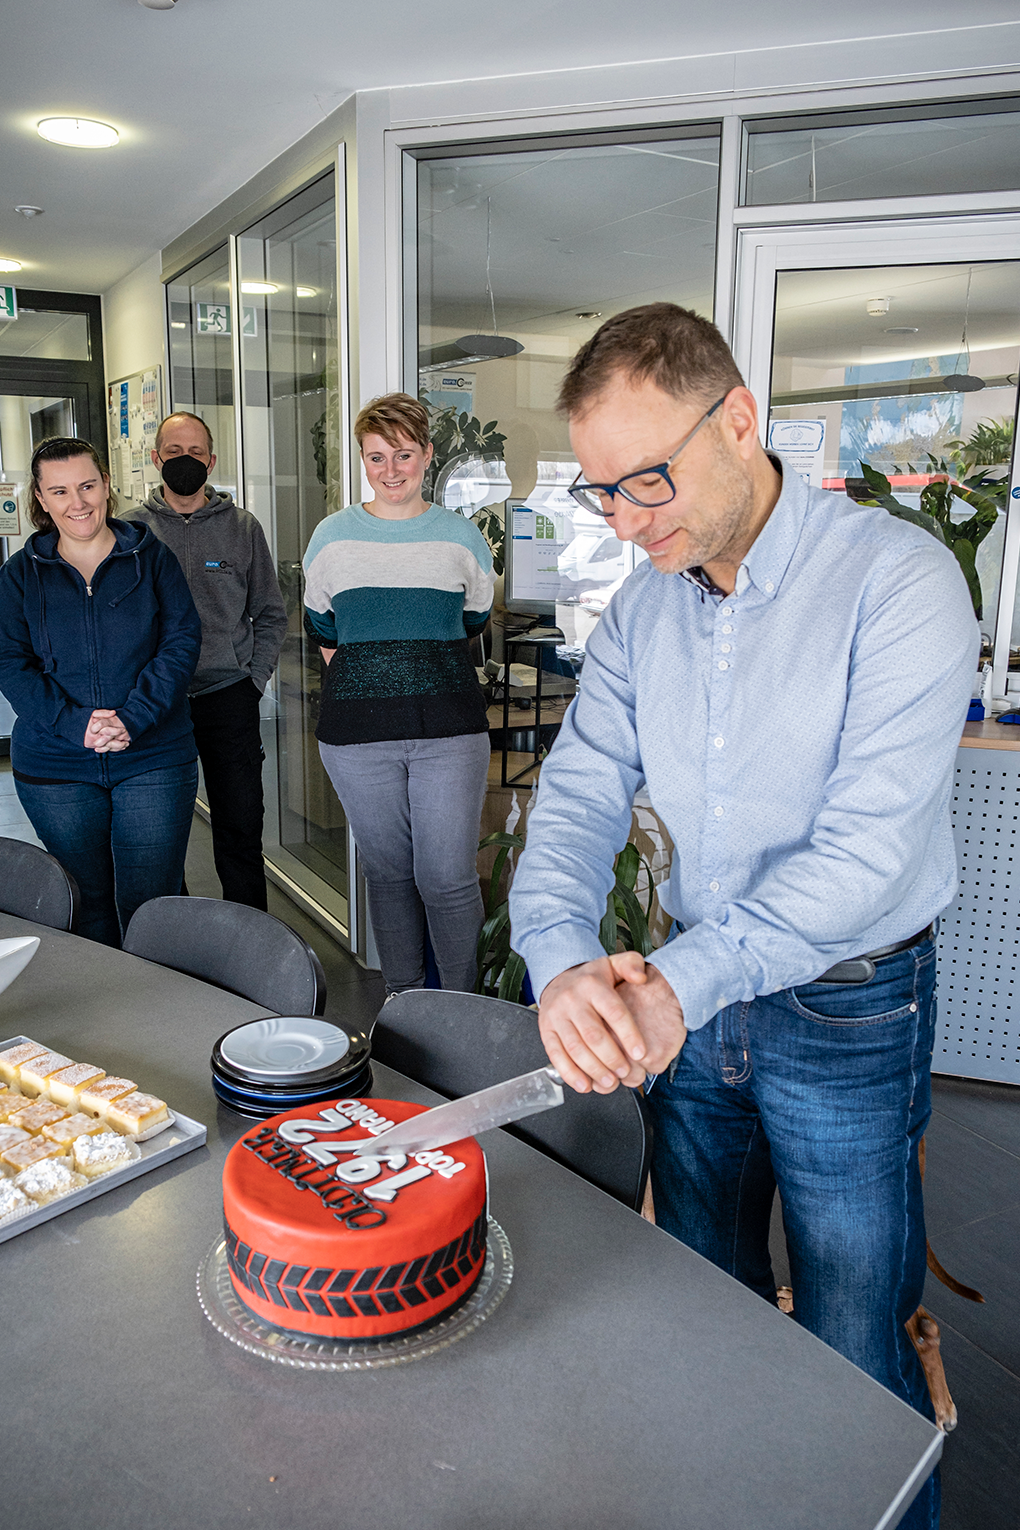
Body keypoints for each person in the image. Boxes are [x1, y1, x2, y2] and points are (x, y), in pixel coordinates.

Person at [508, 303, 978, 1530]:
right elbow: (569, 809)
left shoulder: (897, 582)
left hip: (847, 1006)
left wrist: (675, 981)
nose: (626, 519)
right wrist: (562, 964)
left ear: (739, 421)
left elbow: (867, 856)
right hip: (687, 1009)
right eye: (601, 493)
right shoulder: (642, 612)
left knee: (849, 1344)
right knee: (696, 1305)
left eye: (647, 479)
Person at [302, 392, 494, 994]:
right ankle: (404, 1007)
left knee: (447, 879)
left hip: (450, 733)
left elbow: (473, 620)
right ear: (363, 459)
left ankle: (462, 1013)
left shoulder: (461, 536)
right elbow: (324, 630)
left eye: (404, 454)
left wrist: (408, 659)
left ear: (428, 455)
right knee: (387, 875)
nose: (391, 470)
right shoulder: (331, 537)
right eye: (377, 456)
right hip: (357, 739)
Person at [0, 437, 202, 947]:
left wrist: (132, 718)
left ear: (106, 485)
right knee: (83, 902)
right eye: (61, 491)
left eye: (87, 485)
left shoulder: (152, 557)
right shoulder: (19, 576)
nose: (78, 502)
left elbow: (181, 641)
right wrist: (76, 724)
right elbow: (10, 662)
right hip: (56, 763)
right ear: (41, 499)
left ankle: (164, 1016)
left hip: (152, 754)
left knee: (152, 904)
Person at [134, 411, 287, 910]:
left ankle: (251, 944)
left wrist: (254, 681)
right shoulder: (131, 532)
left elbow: (269, 613)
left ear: (212, 460)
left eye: (195, 452)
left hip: (228, 696)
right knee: (161, 835)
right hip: (156, 702)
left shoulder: (242, 528)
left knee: (240, 829)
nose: (185, 461)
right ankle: (171, 941)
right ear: (156, 459)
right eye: (173, 452)